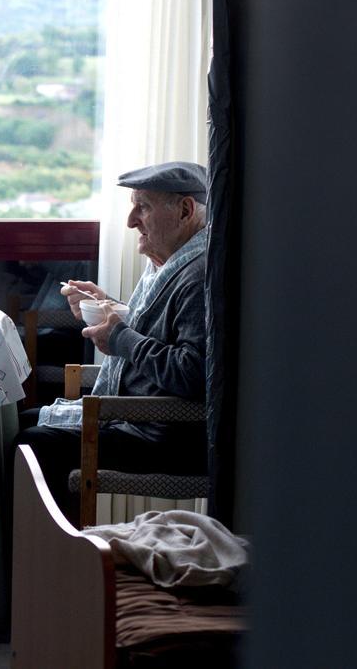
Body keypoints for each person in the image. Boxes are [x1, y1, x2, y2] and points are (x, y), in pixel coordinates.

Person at [14, 161, 210, 520]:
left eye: (144, 207)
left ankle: (50, 555)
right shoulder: (173, 261)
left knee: (32, 442)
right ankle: (45, 553)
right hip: (138, 421)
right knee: (21, 420)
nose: (131, 220)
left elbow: (192, 372)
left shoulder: (198, 275)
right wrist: (110, 307)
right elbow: (158, 330)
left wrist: (119, 336)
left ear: (185, 210)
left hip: (166, 435)